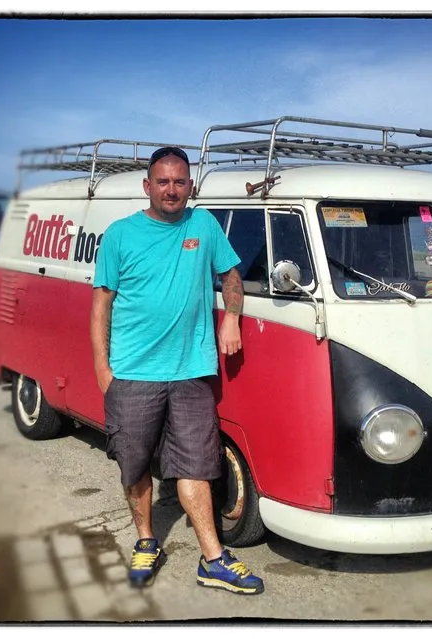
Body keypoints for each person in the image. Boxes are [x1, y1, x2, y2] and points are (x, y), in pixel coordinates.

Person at [90, 146, 264, 595]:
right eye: (163, 181)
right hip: (132, 373)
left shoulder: (203, 225)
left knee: (197, 465)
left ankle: (214, 558)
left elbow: (231, 276)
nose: (172, 189)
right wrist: (103, 370)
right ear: (148, 186)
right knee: (134, 466)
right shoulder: (120, 235)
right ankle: (147, 540)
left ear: (190, 186)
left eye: (180, 181)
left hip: (190, 372)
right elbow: (101, 306)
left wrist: (231, 317)